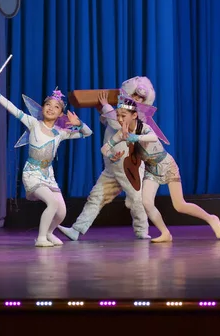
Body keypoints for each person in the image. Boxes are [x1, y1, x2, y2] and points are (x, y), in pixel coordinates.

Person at [100, 95, 220, 242]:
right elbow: (105, 148)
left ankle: (211, 218)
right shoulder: (121, 133)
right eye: (118, 116)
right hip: (151, 169)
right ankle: (165, 233)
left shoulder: (144, 127)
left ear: (134, 115)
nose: (120, 119)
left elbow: (153, 137)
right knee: (146, 203)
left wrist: (135, 138)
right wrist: (112, 154)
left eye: (123, 115)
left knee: (179, 205)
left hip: (166, 165)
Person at [0, 80, 92, 247]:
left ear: (60, 114)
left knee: (61, 212)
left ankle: (49, 233)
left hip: (48, 175)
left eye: (56, 107)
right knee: (52, 203)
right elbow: (13, 109)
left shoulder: (61, 132)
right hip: (32, 173)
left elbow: (87, 133)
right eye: (48, 105)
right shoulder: (34, 123)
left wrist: (79, 124)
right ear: (42, 108)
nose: (51, 108)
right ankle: (41, 238)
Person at [58, 76, 159, 241]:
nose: (136, 99)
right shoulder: (119, 111)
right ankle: (77, 229)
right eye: (134, 95)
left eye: (140, 98)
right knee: (96, 196)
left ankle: (141, 230)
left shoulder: (138, 116)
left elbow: (117, 124)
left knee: (136, 199)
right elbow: (110, 121)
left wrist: (106, 107)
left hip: (129, 165)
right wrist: (103, 108)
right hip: (113, 165)